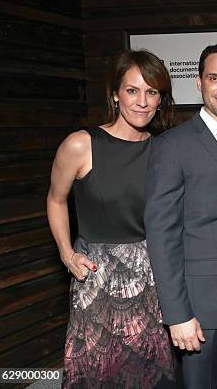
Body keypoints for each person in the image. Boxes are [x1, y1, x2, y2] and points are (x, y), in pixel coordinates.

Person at [47, 49, 176, 388]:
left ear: (161, 99)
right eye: (132, 90)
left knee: (150, 374)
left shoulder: (165, 150)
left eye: (152, 92)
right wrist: (65, 253)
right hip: (97, 277)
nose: (142, 101)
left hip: (152, 278)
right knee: (99, 373)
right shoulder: (81, 144)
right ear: (116, 94)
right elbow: (55, 199)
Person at [144, 42, 217, 389]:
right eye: (214, 78)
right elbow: (161, 234)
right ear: (199, 83)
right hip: (201, 309)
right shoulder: (172, 146)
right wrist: (177, 314)